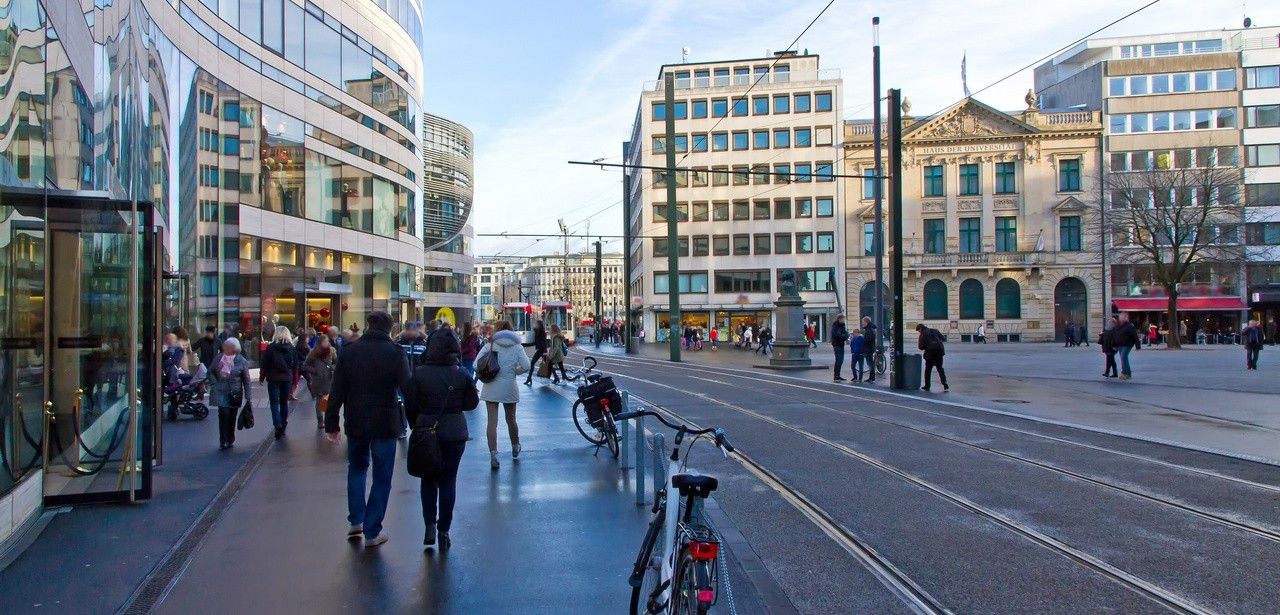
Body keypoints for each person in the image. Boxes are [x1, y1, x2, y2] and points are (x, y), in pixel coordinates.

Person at [325, 311, 412, 547]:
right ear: (389, 329)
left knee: (357, 468)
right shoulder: (396, 353)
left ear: (367, 326)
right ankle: (373, 531)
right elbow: (407, 388)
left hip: (356, 419)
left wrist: (331, 422)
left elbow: (337, 390)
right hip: (385, 421)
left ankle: (356, 520)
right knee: (382, 476)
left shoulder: (349, 352)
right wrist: (415, 421)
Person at [404, 328, 478, 550]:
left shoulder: (419, 373)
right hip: (454, 431)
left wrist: (416, 424)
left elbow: (411, 404)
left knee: (428, 479)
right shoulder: (460, 373)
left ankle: (429, 525)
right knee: (448, 480)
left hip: (426, 428)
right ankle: (444, 528)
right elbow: (471, 403)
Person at [478, 321, 531, 470]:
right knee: (511, 419)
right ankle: (515, 446)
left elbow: (476, 364)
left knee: (492, 422)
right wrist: (515, 372)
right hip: (509, 386)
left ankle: (494, 454)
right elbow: (526, 366)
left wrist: (487, 373)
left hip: (491, 386)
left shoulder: (490, 345)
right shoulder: (517, 347)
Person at [208, 337, 251, 450]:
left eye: (228, 347)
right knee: (223, 413)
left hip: (234, 393)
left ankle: (230, 437)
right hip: (220, 390)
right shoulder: (219, 358)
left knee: (232, 415)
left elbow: (246, 379)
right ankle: (223, 439)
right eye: (225, 346)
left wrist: (248, 396)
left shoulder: (241, 361)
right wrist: (214, 383)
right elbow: (210, 371)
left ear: (235, 349)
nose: (225, 348)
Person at [259, 326, 299, 439]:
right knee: (283, 403)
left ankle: (277, 424)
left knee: (274, 403)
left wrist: (262, 377)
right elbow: (295, 366)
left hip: (273, 378)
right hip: (287, 378)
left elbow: (264, 364)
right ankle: (283, 425)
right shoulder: (292, 348)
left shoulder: (271, 348)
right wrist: (295, 382)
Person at [302, 335, 337, 429]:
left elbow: (336, 363)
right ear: (320, 343)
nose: (327, 343)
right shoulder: (314, 353)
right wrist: (315, 370)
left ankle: (328, 420)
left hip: (329, 379)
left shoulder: (332, 351)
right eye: (325, 342)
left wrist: (332, 368)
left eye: (327, 342)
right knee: (319, 401)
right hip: (318, 380)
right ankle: (320, 421)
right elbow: (305, 365)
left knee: (329, 401)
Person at [916, 323, 949, 392]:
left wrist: (927, 346)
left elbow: (921, 347)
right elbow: (943, 338)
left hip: (930, 353)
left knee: (928, 370)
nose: (919, 332)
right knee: (940, 368)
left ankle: (927, 386)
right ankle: (945, 384)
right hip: (939, 352)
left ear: (920, 329)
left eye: (919, 331)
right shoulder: (935, 330)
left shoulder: (922, 334)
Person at [1114, 315, 1141, 380]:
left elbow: (1135, 336)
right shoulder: (1118, 326)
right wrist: (1115, 345)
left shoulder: (1130, 326)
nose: (1121, 319)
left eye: (1123, 318)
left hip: (1127, 344)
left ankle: (1124, 373)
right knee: (1124, 358)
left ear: (1126, 319)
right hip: (1120, 344)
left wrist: (1137, 346)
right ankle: (1128, 373)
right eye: (1120, 318)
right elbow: (1116, 336)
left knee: (1123, 357)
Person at [524, 320, 548, 386]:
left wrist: (544, 351)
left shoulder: (541, 332)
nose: (534, 324)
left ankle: (556, 377)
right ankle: (529, 378)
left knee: (547, 364)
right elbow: (536, 342)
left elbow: (544, 342)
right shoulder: (537, 331)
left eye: (536, 323)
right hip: (541, 350)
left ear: (539, 325)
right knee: (533, 363)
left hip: (542, 350)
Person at [830, 315, 849, 381]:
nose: (843, 320)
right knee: (838, 360)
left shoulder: (842, 325)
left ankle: (838, 375)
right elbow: (838, 335)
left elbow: (845, 334)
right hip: (837, 345)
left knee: (841, 360)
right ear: (839, 319)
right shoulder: (835, 326)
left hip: (841, 344)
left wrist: (844, 336)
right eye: (843, 319)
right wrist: (844, 336)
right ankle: (836, 376)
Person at [860, 317, 878, 383]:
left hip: (868, 348)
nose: (862, 323)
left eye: (863, 322)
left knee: (870, 363)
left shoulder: (869, 329)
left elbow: (868, 339)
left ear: (866, 322)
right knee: (870, 363)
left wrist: (863, 340)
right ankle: (871, 377)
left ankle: (871, 378)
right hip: (870, 348)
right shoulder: (871, 328)